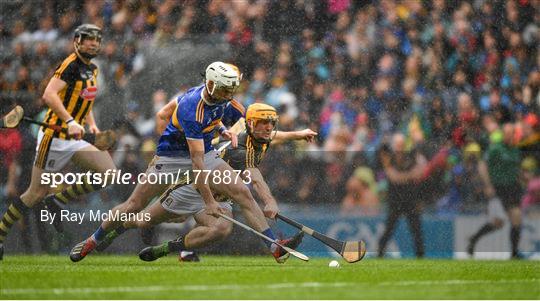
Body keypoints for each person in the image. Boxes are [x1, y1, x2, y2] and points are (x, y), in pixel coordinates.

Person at [69, 63, 300, 264]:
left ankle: (273, 246)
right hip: (171, 157)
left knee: (241, 191)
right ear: (210, 84)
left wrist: (222, 129)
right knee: (133, 205)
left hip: (205, 151)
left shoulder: (223, 99)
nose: (229, 94)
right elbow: (196, 161)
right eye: (224, 89)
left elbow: (216, 121)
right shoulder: (192, 106)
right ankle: (94, 239)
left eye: (231, 89)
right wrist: (209, 201)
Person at [97, 103, 317, 263]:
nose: (268, 128)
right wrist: (269, 201)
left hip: (217, 198)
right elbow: (255, 178)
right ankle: (118, 229)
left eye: (271, 123)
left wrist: (298, 134)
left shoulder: (255, 134)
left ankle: (166, 249)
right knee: (143, 221)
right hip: (191, 190)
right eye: (263, 123)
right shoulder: (240, 150)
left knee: (220, 228)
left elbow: (275, 136)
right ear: (251, 124)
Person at [0, 24, 116, 260]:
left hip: (73, 138)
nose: (94, 43)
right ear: (77, 41)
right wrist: (70, 120)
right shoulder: (70, 65)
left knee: (110, 173)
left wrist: (90, 125)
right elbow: (49, 95)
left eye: (97, 40)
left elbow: (86, 101)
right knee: (34, 193)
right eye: (88, 39)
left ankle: (58, 199)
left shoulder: (92, 69)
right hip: (52, 138)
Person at [467, 124, 523, 258]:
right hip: (497, 189)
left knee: (516, 217)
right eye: (507, 133)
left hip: (512, 188)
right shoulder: (496, 149)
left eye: (511, 133)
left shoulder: (515, 150)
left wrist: (523, 178)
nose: (509, 135)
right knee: (498, 223)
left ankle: (514, 253)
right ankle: (474, 239)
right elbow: (482, 165)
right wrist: (487, 185)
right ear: (503, 134)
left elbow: (515, 169)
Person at [377, 133, 427, 258]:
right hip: (395, 200)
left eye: (402, 145)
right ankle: (379, 253)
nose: (400, 148)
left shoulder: (411, 157)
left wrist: (405, 177)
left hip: (410, 199)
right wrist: (409, 176)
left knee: (416, 230)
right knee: (389, 229)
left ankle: (420, 255)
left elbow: (420, 171)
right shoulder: (389, 158)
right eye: (398, 145)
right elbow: (394, 177)